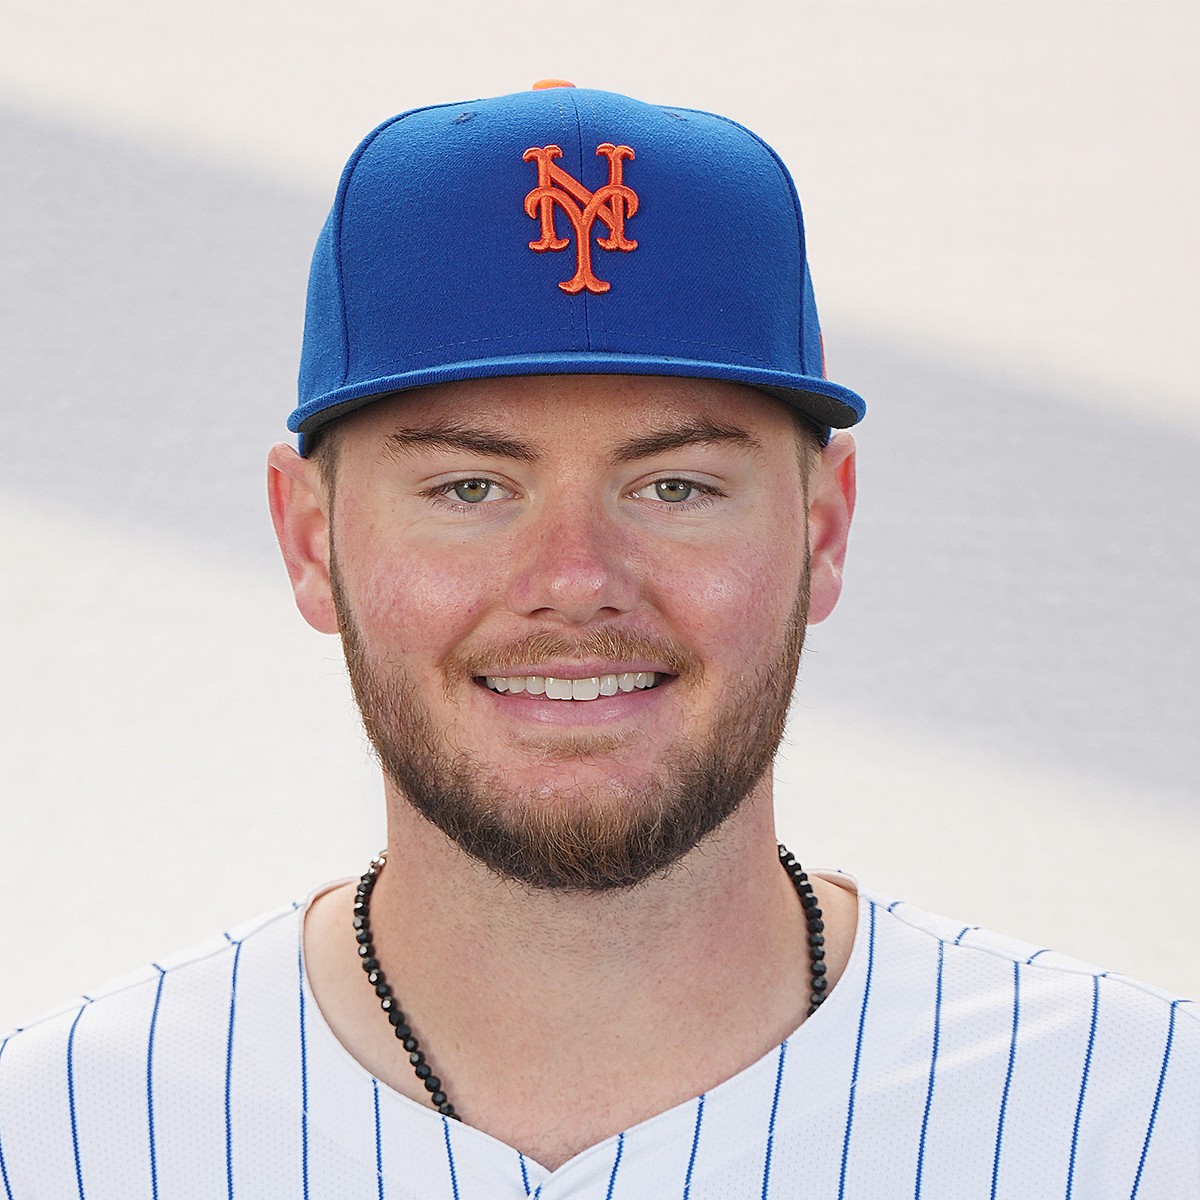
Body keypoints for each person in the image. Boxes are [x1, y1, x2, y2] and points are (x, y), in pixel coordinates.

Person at [0, 81, 1195, 1199]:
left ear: (826, 529)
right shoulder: (55, 1139)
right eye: (470, 488)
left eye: (674, 487)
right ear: (308, 540)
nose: (574, 582)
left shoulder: (1141, 1125)